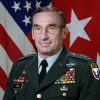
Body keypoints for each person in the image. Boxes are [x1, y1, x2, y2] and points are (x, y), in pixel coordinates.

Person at [3, 6, 100, 100]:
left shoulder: (84, 69)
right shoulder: (19, 67)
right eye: (38, 28)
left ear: (64, 32)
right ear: (32, 33)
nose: (43, 36)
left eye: (51, 28)